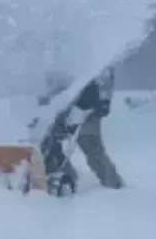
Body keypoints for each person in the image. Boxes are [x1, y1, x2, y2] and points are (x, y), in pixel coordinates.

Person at [32, 67, 124, 196]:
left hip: (86, 104)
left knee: (90, 145)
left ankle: (114, 185)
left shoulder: (88, 65)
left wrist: (103, 100)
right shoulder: (53, 64)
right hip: (59, 106)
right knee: (51, 145)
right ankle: (65, 177)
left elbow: (104, 75)